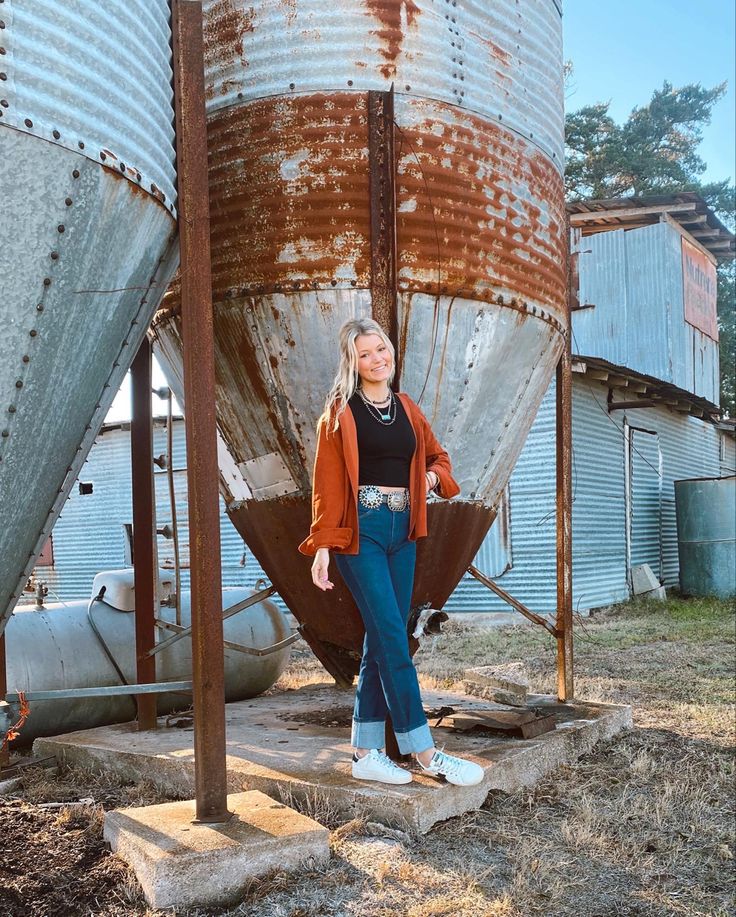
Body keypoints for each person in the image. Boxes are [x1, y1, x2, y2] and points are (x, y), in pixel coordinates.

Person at [299, 318, 484, 788]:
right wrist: (322, 546)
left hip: (404, 530)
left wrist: (429, 479)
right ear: (352, 363)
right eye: (365, 354)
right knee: (393, 641)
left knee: (382, 640)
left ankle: (365, 751)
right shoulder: (339, 412)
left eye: (380, 349)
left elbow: (439, 459)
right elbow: (326, 486)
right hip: (362, 533)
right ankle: (426, 753)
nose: (377, 359)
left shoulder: (406, 407)